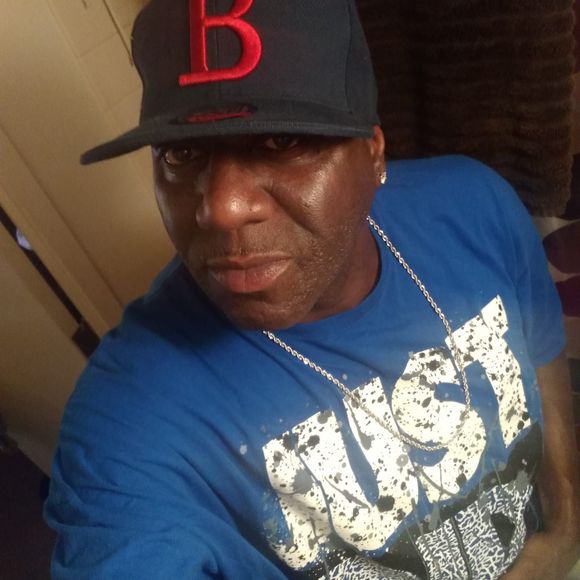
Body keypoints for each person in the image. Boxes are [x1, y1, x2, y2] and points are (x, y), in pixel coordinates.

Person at [44, 0, 580, 578]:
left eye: (282, 142)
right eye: (182, 153)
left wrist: (566, 531)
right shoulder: (130, 417)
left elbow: (542, 351)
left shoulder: (476, 204)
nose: (221, 208)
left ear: (373, 152)